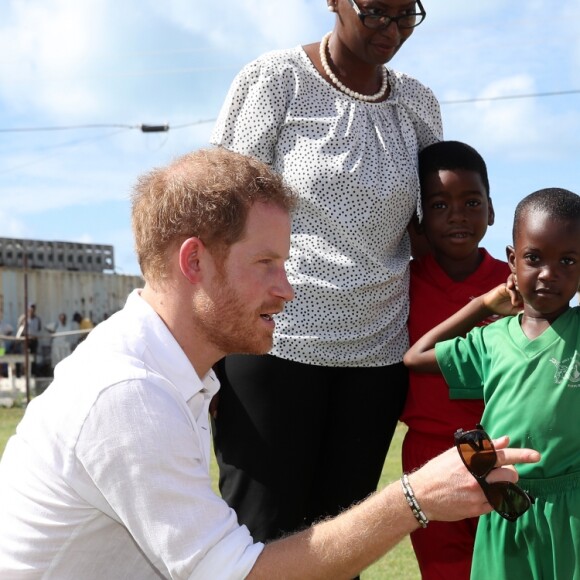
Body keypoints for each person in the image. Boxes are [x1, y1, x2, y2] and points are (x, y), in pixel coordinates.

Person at [0, 148, 540, 579]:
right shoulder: (128, 394)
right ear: (195, 263)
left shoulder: (172, 372)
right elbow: (239, 575)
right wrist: (415, 498)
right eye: (266, 263)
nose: (287, 289)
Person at [210, 0, 443, 543]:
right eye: (376, 12)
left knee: (344, 540)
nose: (391, 29)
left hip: (376, 357)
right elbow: (221, 213)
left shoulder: (418, 104)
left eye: (406, 15)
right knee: (258, 536)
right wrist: (204, 350)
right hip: (273, 346)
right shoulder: (275, 80)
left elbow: (436, 223)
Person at [404, 187, 580, 579]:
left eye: (568, 260)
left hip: (573, 510)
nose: (549, 273)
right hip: (506, 506)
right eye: (534, 258)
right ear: (513, 261)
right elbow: (416, 357)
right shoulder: (490, 339)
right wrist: (482, 304)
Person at [399, 140, 510, 579]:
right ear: (421, 220)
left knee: (504, 563)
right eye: (440, 204)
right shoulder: (399, 284)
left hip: (497, 447)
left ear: (491, 210)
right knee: (444, 568)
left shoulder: (513, 286)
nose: (458, 215)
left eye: (471, 202)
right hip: (426, 450)